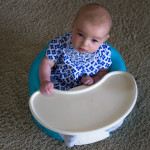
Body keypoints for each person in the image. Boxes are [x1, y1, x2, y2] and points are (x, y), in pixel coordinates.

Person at [39, 3, 115, 147]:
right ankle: (70, 132)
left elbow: (104, 72)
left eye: (94, 40)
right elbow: (46, 63)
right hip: (63, 86)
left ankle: (109, 123)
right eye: (80, 34)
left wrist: (94, 79)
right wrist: (45, 81)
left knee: (103, 103)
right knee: (62, 111)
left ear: (104, 39)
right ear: (73, 26)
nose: (85, 43)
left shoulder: (103, 53)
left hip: (88, 89)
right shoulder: (59, 44)